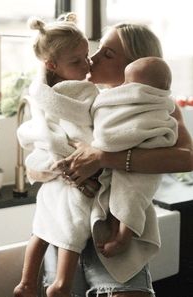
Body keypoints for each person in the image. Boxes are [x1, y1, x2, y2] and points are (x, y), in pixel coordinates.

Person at [44, 22, 193, 297]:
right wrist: (63, 168)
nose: (93, 58)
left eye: (108, 54)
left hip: (114, 235)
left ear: (135, 67)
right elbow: (41, 152)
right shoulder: (80, 102)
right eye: (98, 48)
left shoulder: (157, 108)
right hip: (66, 230)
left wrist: (104, 157)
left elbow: (186, 158)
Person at [14, 14, 100, 297]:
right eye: (76, 61)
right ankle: (60, 285)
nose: (87, 65)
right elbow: (42, 131)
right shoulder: (66, 93)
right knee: (71, 224)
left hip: (61, 173)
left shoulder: (47, 90)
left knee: (42, 225)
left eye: (87, 56)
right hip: (68, 170)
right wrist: (63, 153)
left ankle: (27, 283)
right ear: (51, 65)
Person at [91, 56, 177, 257]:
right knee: (118, 194)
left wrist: (106, 152)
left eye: (129, 84)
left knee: (131, 196)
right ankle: (115, 232)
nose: (124, 87)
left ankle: (123, 237)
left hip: (146, 163)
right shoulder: (111, 102)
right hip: (126, 165)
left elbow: (111, 138)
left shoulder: (154, 106)